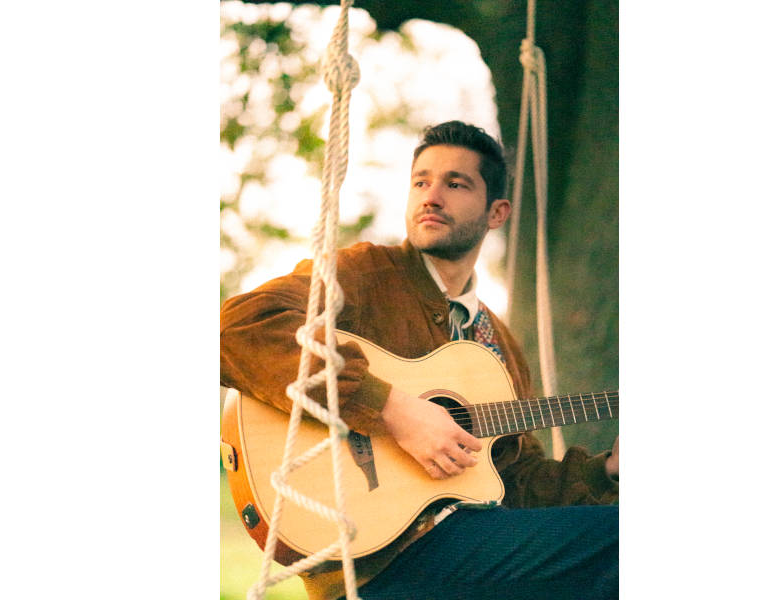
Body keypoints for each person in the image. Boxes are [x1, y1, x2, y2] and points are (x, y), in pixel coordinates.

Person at [220, 121, 618, 600]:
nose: (432, 196)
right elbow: (235, 327)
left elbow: (514, 478)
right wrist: (394, 409)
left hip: (475, 546)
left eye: (455, 183)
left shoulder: (500, 344)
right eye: (421, 181)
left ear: (497, 212)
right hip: (377, 562)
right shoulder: (365, 273)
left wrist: (606, 472)